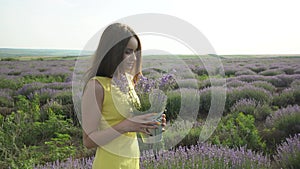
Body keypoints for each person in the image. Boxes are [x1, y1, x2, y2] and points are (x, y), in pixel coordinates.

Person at [81, 23, 166, 169]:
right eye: (128, 51)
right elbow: (88, 141)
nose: (133, 58)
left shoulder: (128, 81)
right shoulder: (97, 86)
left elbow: (132, 120)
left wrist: (150, 124)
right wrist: (127, 125)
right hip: (110, 163)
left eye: (136, 52)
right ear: (112, 51)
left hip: (132, 160)